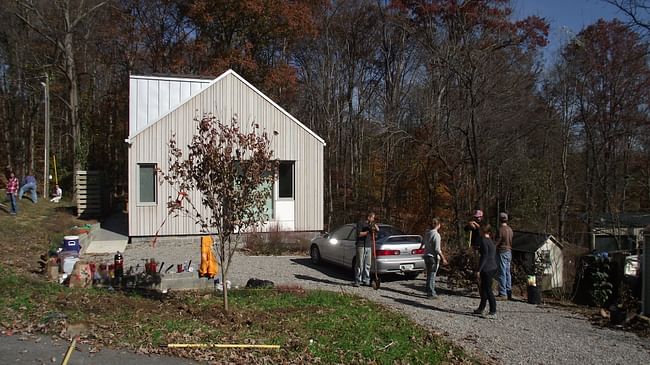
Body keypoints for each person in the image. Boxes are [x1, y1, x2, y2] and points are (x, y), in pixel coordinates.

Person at [473, 224, 498, 319]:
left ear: (484, 232)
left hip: (487, 268)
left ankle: (493, 311)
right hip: (493, 266)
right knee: (483, 288)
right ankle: (481, 308)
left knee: (488, 290)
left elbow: (484, 256)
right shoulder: (491, 241)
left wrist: (479, 270)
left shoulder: (484, 241)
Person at [421, 217, 448, 298]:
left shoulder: (427, 233)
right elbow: (437, 249)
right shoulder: (436, 235)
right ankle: (431, 292)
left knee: (429, 274)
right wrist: (443, 258)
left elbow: (422, 243)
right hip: (433, 257)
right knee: (432, 275)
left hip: (426, 256)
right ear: (438, 225)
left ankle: (427, 289)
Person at [354, 212, 378, 287]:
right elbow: (359, 234)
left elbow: (378, 229)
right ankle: (358, 280)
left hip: (368, 246)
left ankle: (366, 280)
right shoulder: (361, 223)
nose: (373, 219)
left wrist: (374, 225)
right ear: (369, 217)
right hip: (361, 245)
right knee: (360, 264)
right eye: (372, 217)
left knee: (367, 264)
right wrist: (367, 232)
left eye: (374, 218)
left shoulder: (371, 224)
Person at [495, 212, 514, 300]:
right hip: (509, 251)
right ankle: (509, 291)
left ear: (500, 220)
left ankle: (503, 293)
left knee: (502, 272)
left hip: (502, 251)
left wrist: (492, 247)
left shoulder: (500, 230)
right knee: (507, 272)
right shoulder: (510, 229)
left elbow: (497, 241)